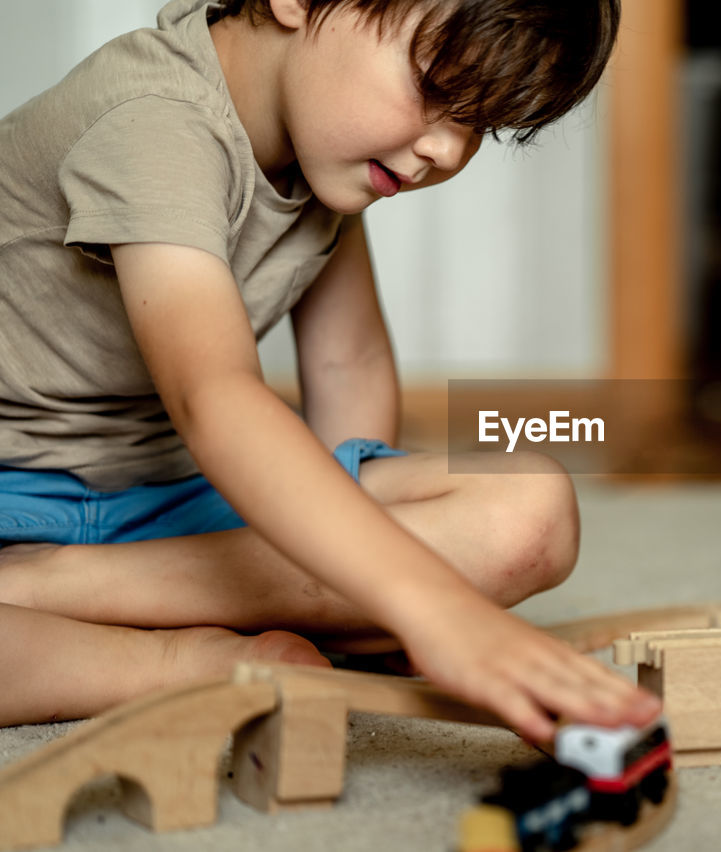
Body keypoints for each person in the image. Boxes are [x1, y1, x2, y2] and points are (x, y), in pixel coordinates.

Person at [0, 0, 660, 742]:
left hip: (168, 498)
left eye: (479, 125)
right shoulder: (154, 120)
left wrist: (371, 605)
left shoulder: (316, 153)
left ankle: (50, 587)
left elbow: (349, 366)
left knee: (529, 514)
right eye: (436, 87)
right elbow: (214, 399)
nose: (447, 149)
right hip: (15, 491)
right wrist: (431, 608)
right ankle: (181, 664)